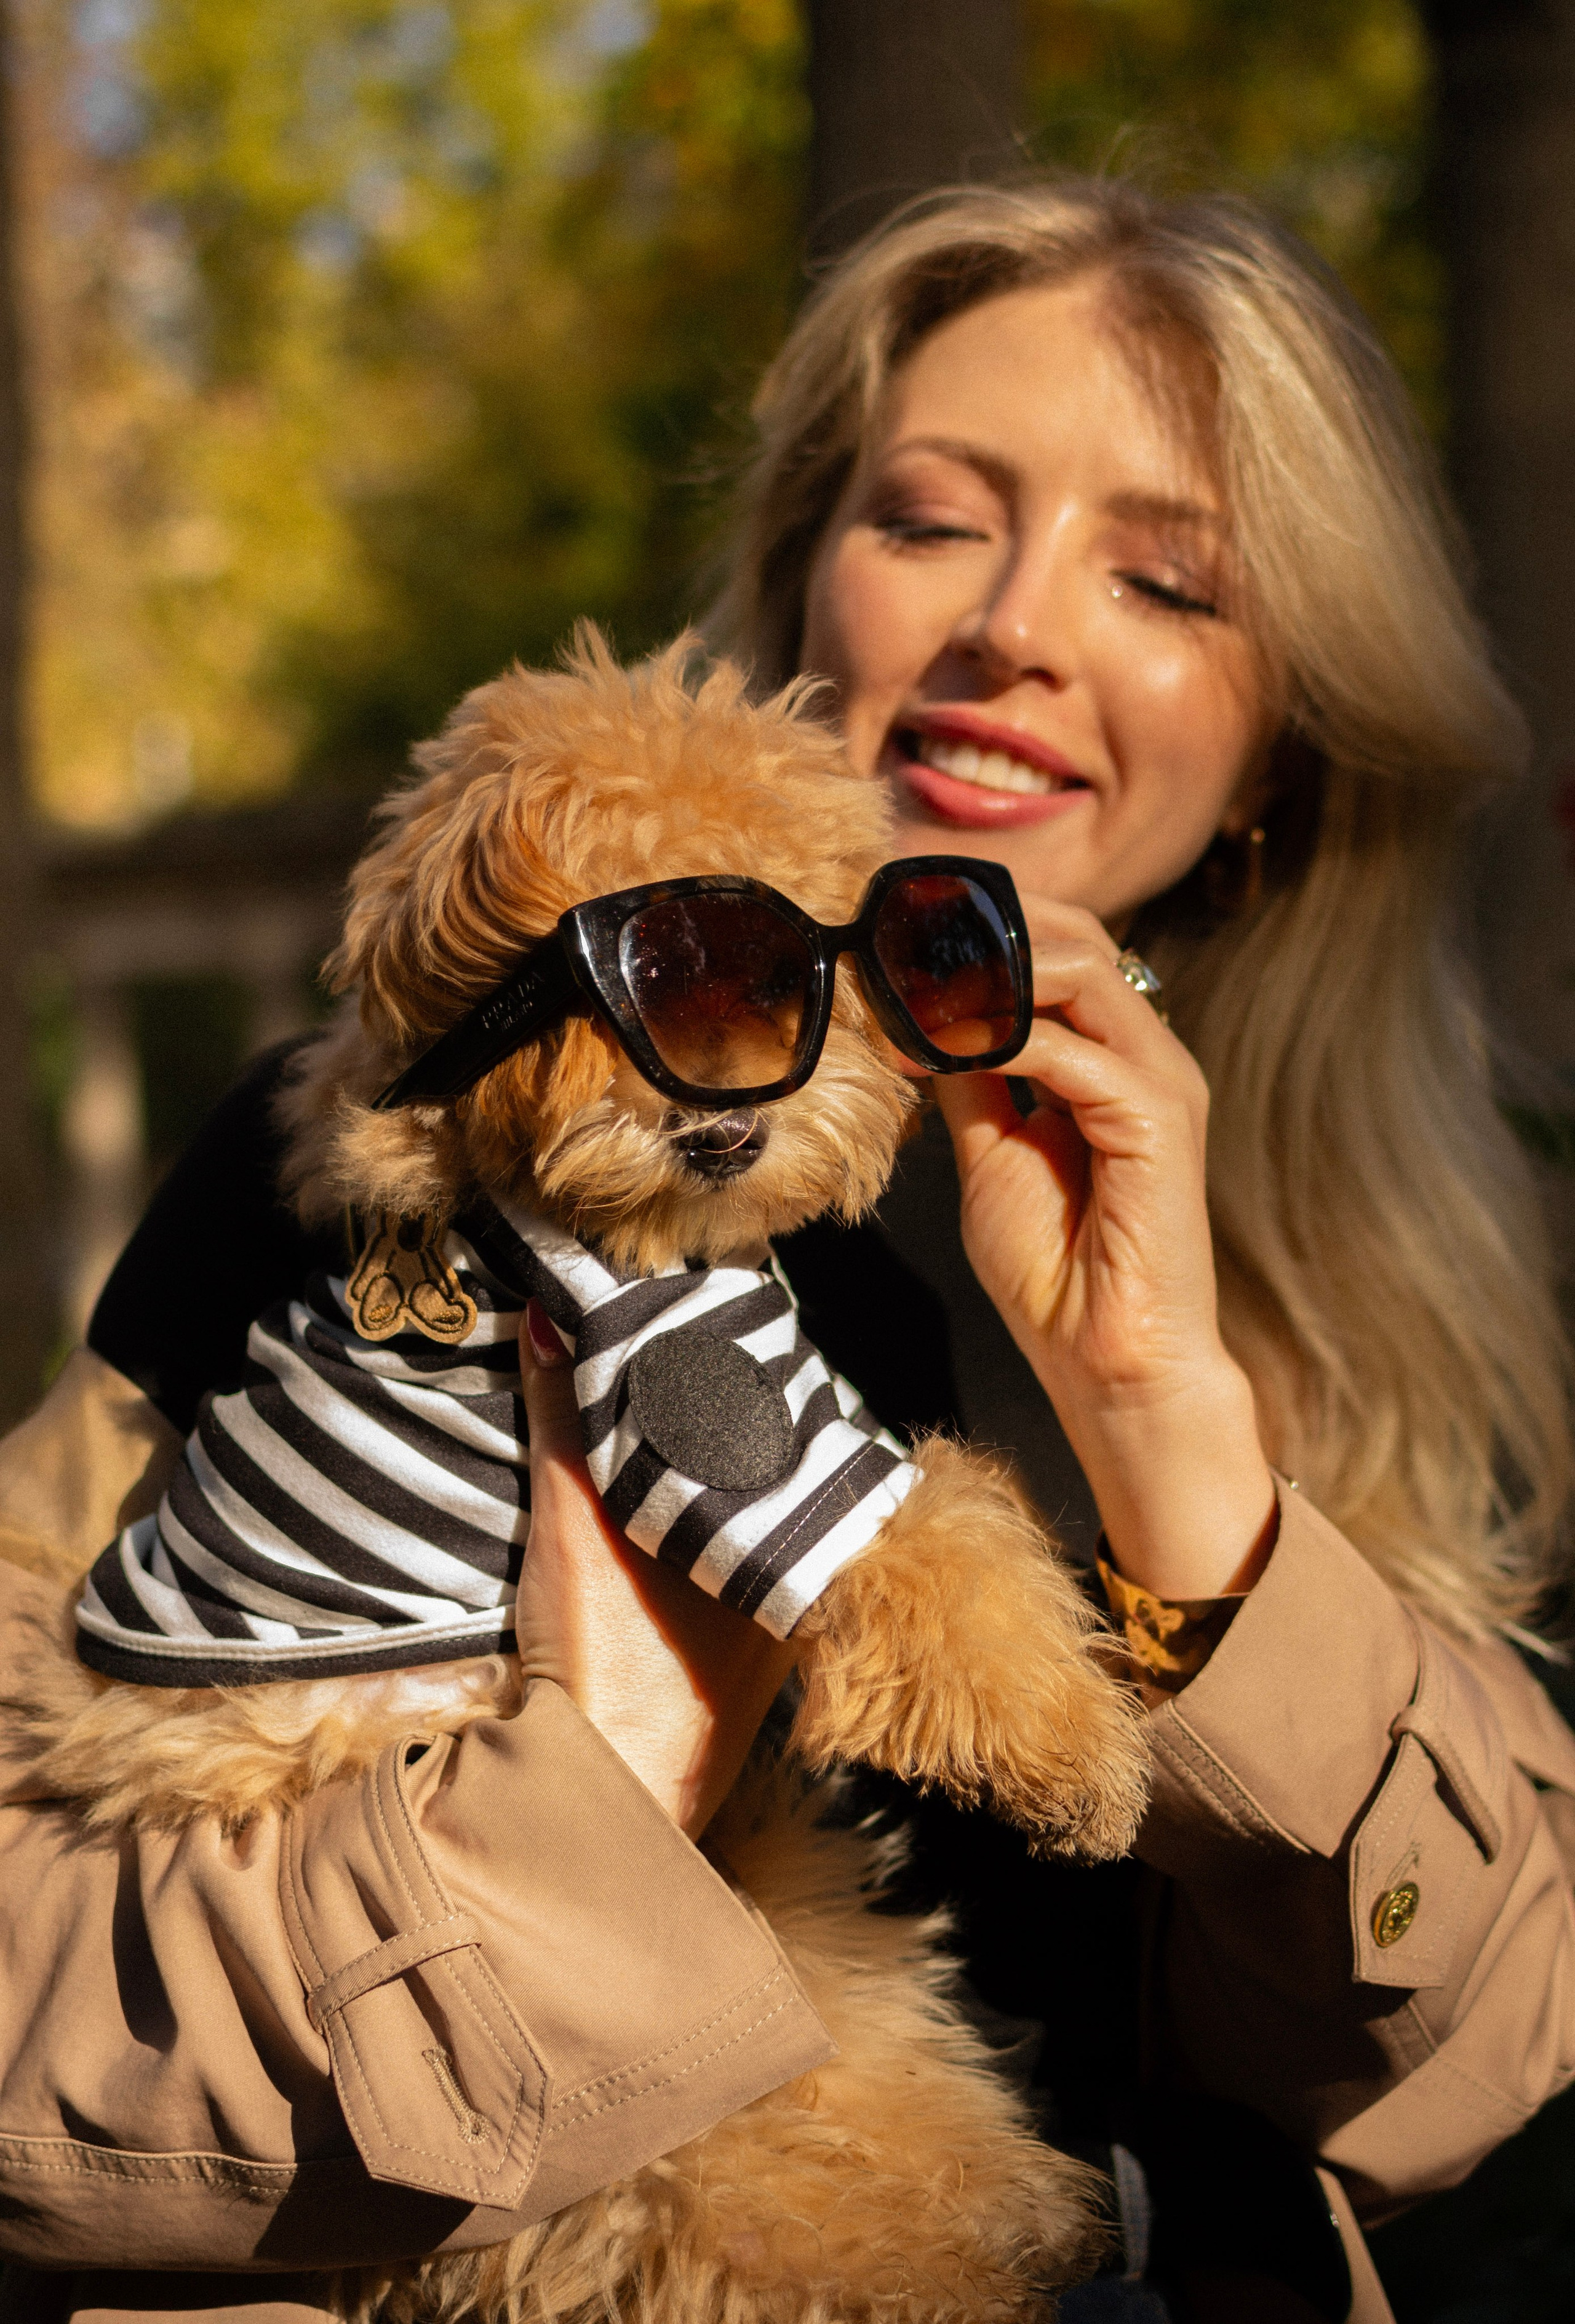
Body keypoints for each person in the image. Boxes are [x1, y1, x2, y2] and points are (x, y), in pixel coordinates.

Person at [3, 176, 1574, 2324]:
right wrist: (603, 1797)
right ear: (799, 594)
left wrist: (1171, 1430)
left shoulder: (1393, 1295)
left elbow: (1447, 2081)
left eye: (1165, 575)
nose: (1013, 621)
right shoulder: (378, 1153)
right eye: (932, 517)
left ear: (1286, 741)